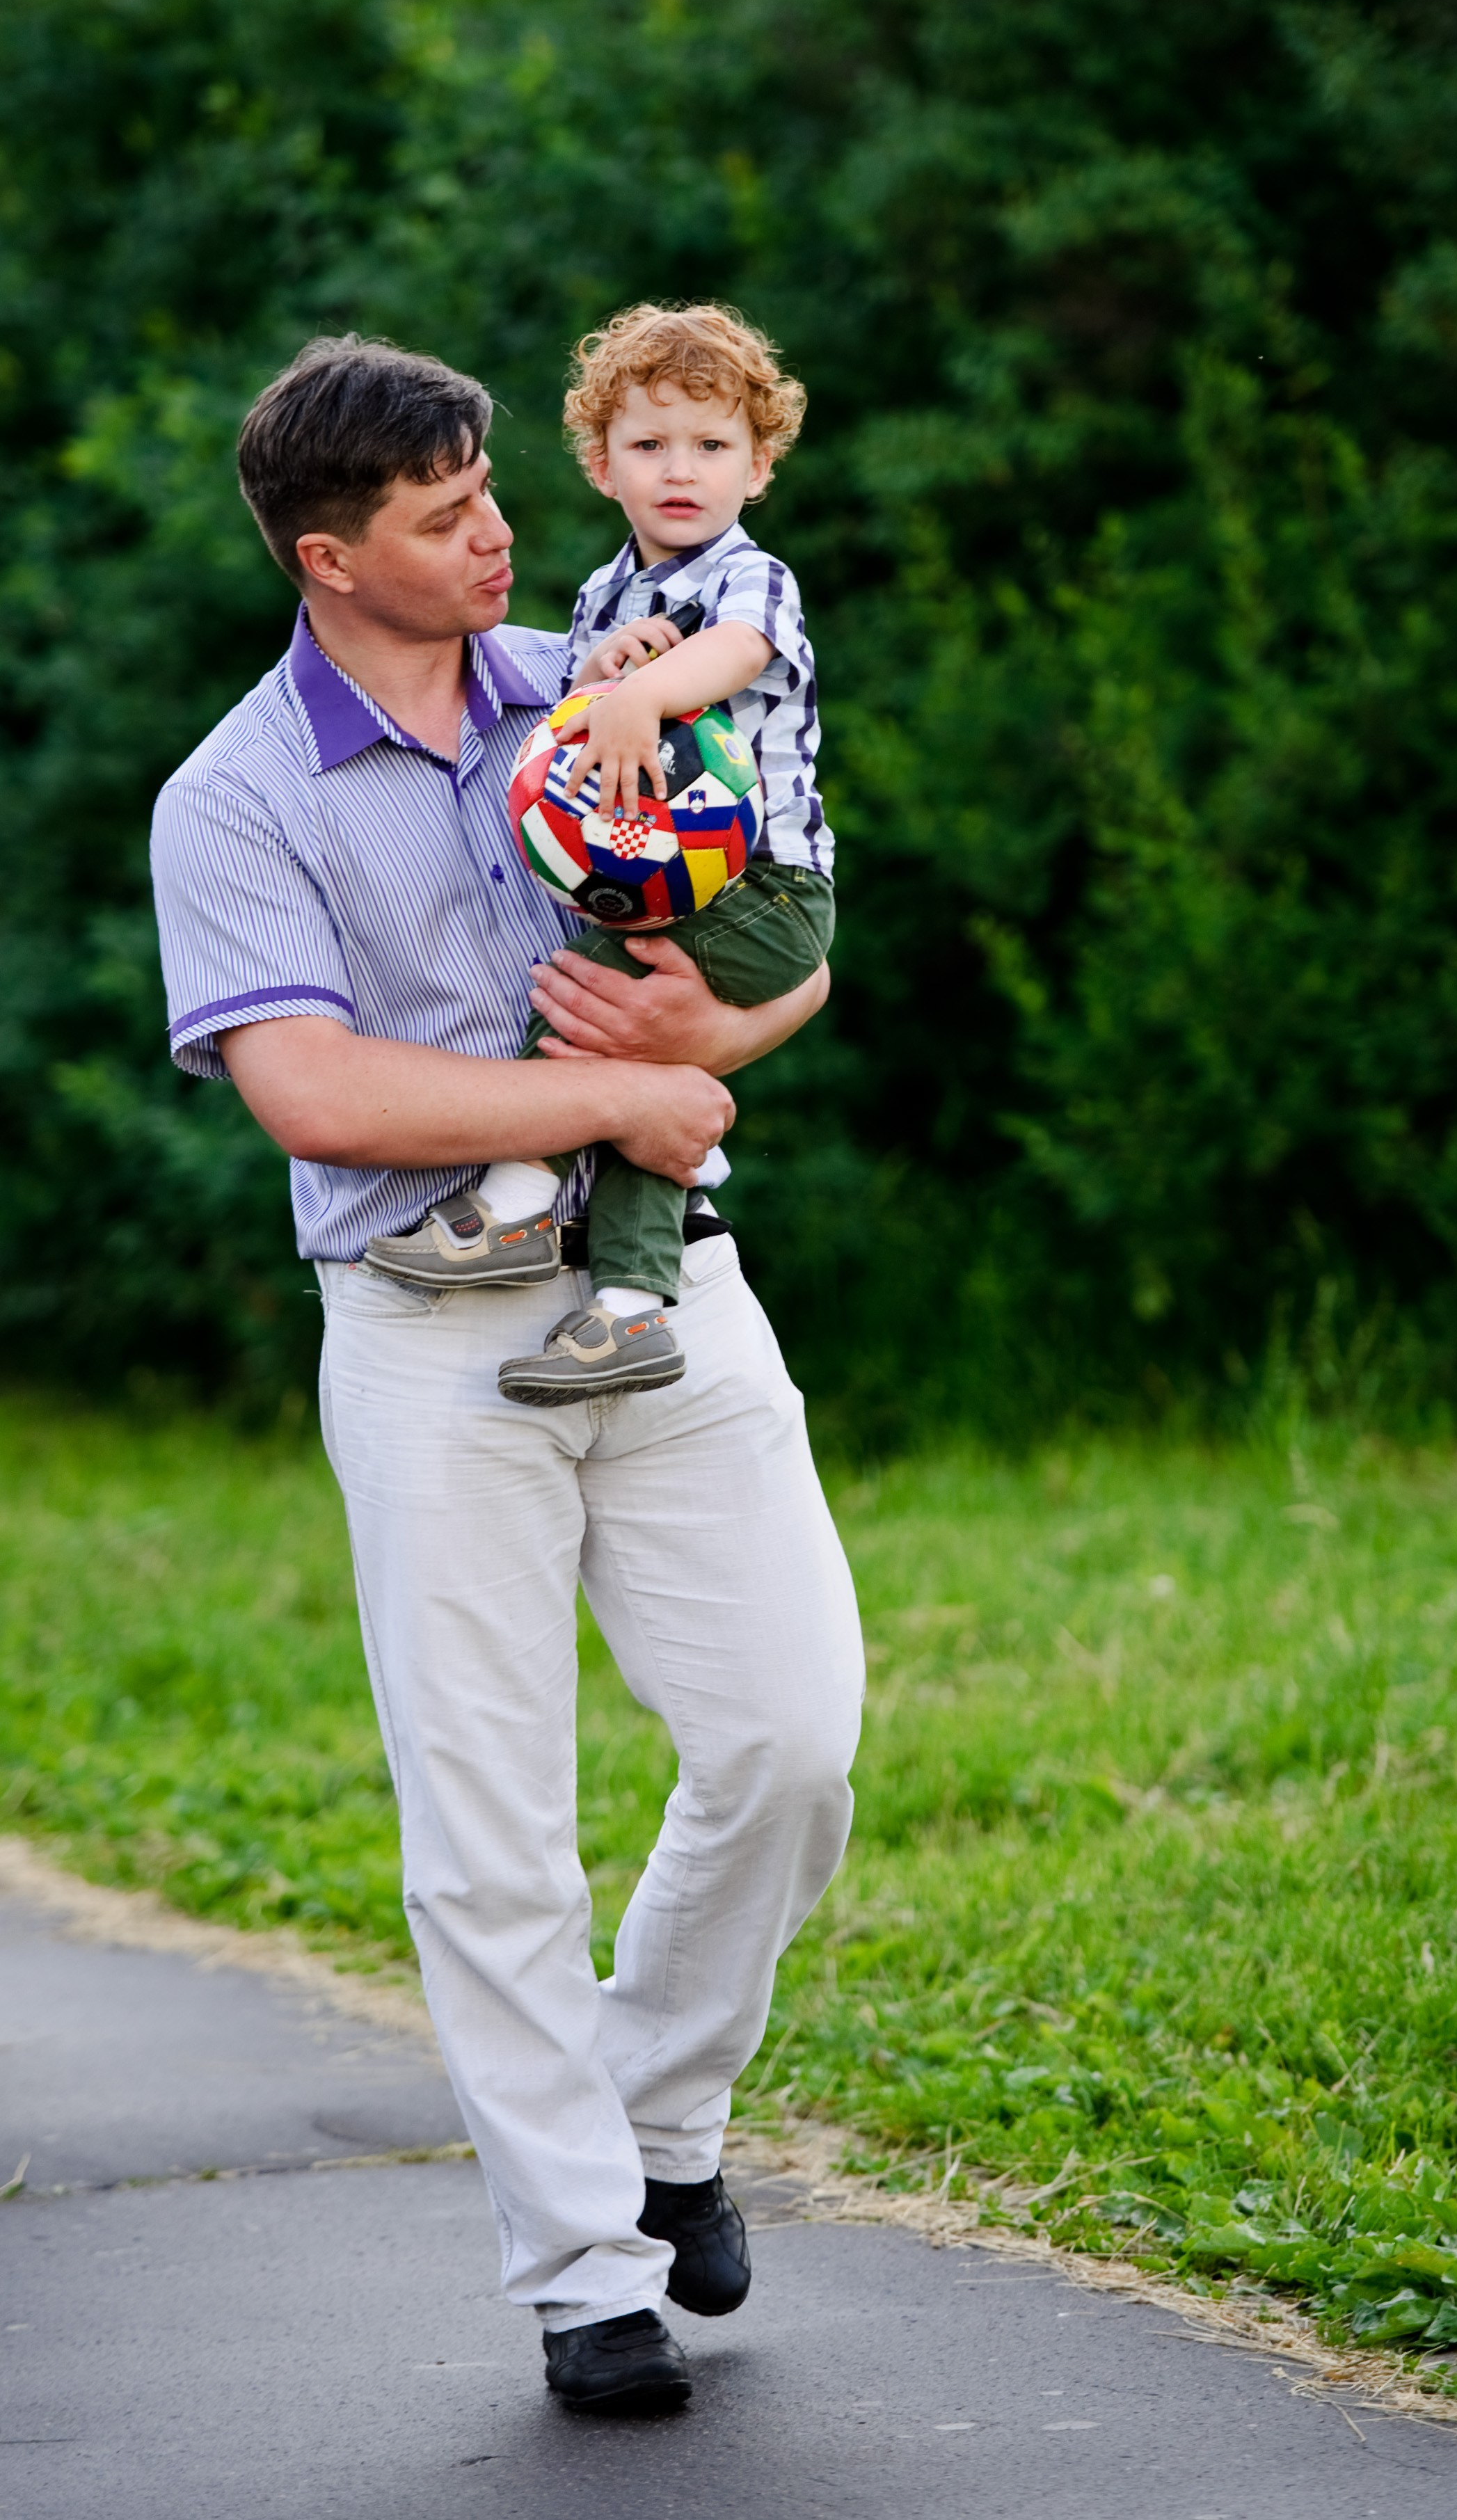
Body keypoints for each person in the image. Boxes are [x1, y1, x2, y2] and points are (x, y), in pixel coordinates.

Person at [150, 331, 865, 2415]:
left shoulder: (604, 675)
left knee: (790, 1741)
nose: (502, 532)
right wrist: (594, 1092)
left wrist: (700, 1066)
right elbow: (307, 1085)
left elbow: (793, 942)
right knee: (491, 1833)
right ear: (326, 554)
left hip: (672, 1289)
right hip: (432, 1340)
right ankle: (584, 2272)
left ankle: (658, 2115)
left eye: (491, 493)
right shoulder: (239, 795)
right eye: (449, 513)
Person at [361, 302, 836, 1414]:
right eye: (650, 445)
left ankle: (519, 1194)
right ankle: (630, 1309)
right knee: (635, 1086)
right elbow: (572, 730)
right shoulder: (598, 594)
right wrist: (599, 676)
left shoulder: (747, 577)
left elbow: (731, 653)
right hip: (655, 886)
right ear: (599, 464)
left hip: (765, 894)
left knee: (584, 1005)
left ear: (759, 468)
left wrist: (639, 692)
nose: (683, 471)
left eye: (714, 446)